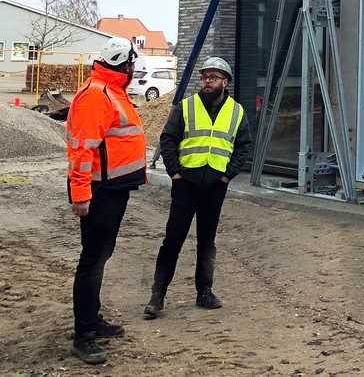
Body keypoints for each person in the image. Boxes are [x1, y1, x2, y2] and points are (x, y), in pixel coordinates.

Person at [144, 56, 251, 319]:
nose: (206, 81)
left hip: (215, 186)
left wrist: (227, 176)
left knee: (207, 242)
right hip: (186, 185)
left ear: (225, 82)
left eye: (212, 77)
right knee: (173, 240)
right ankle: (157, 296)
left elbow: (243, 146)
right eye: (205, 77)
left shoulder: (236, 112)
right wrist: (176, 173)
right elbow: (168, 139)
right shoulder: (186, 107)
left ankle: (205, 292)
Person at [66, 36, 146, 365]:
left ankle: (92, 321)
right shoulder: (97, 95)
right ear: (120, 64)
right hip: (100, 192)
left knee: (101, 255)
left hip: (113, 188)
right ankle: (83, 335)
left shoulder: (111, 90)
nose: (132, 69)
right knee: (93, 259)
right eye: (130, 64)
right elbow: (82, 149)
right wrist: (81, 193)